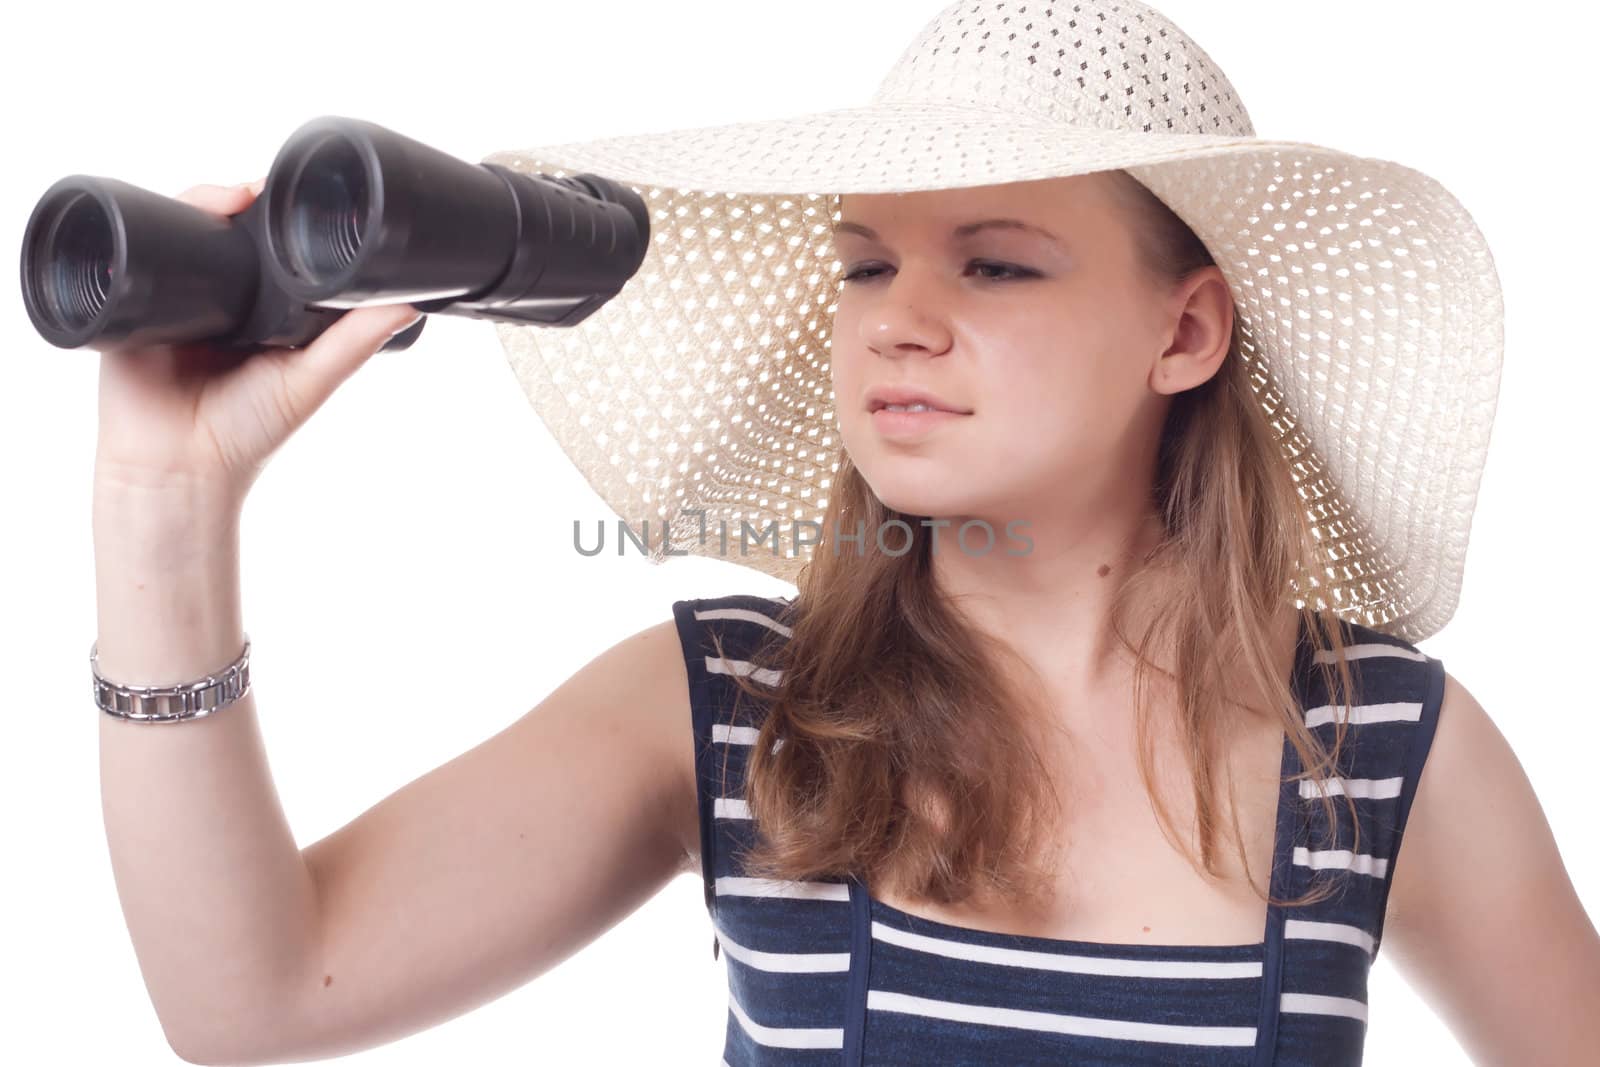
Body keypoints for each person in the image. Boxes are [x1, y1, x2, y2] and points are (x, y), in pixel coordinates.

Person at [89, 1, 1599, 1064]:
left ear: (1185, 329)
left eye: (998, 267)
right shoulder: (739, 714)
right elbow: (252, 1002)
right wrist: (169, 508)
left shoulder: (1379, 747)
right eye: (867, 264)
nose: (900, 324)